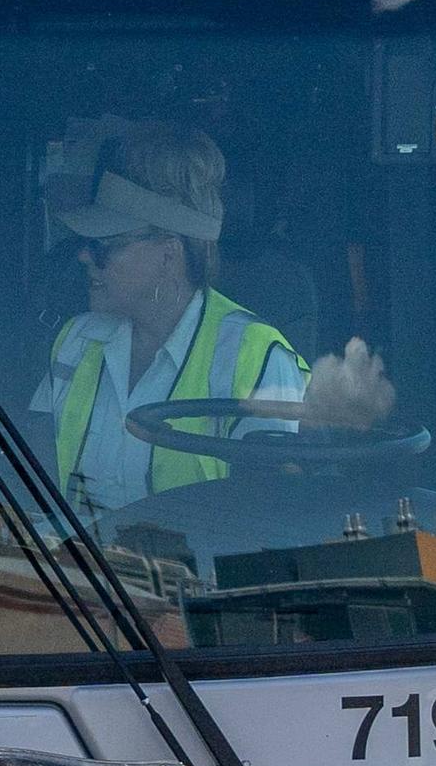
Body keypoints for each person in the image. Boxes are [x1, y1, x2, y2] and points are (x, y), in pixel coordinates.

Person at [27, 123, 392, 513]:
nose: (84, 257)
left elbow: (270, 518)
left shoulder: (255, 357)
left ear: (168, 254)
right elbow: (28, 473)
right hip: (63, 570)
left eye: (103, 248)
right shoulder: (77, 340)